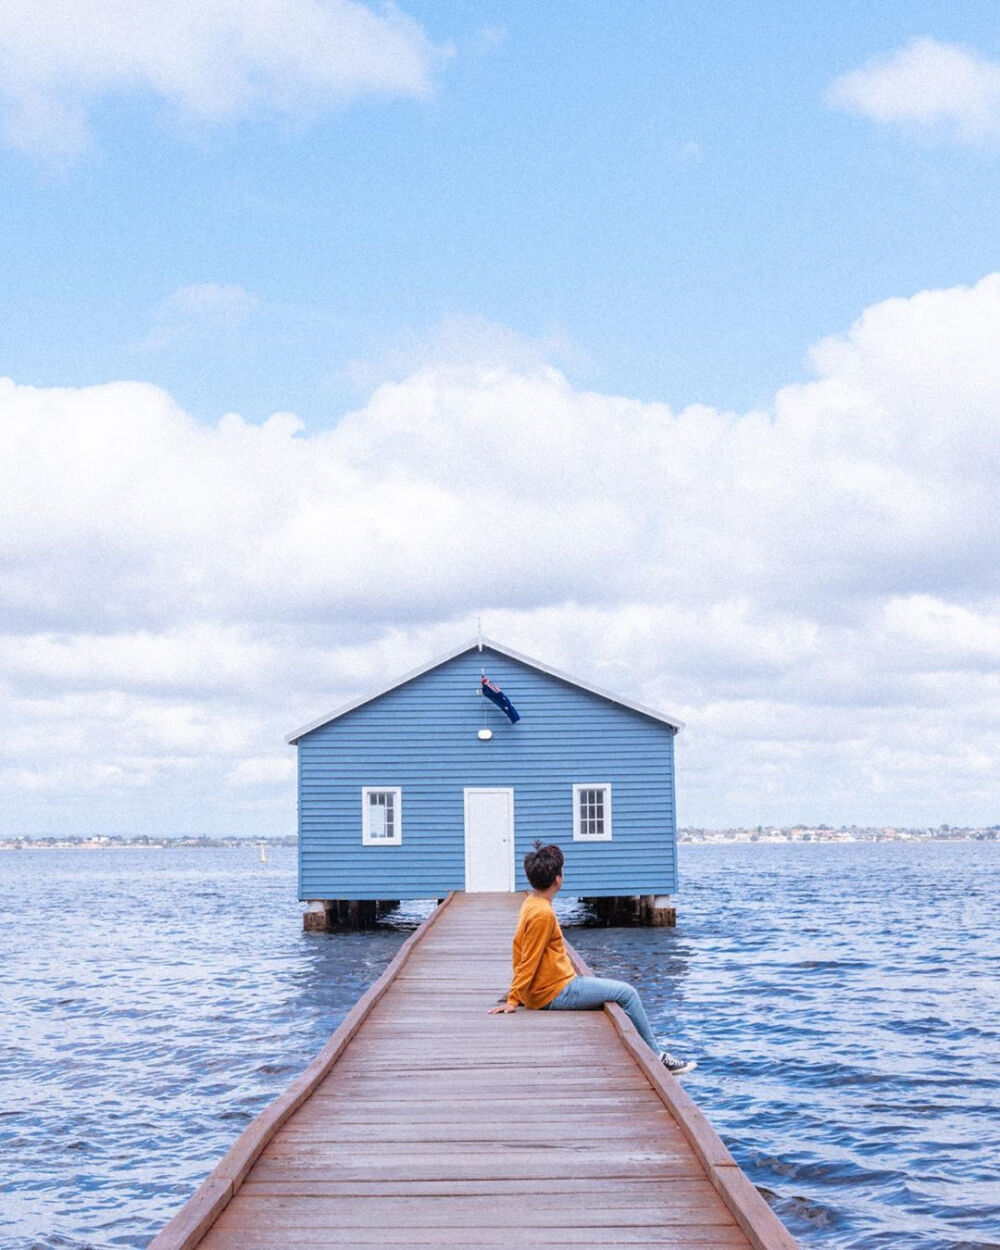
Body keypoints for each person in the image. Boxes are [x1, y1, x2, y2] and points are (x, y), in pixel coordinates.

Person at [488, 840, 696, 1075]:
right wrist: (514, 999)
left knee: (608, 987)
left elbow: (520, 949)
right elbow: (530, 958)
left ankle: (655, 1054)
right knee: (627, 993)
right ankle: (657, 1057)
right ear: (558, 879)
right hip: (556, 991)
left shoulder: (531, 903)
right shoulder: (543, 914)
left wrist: (521, 993)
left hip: (548, 986)